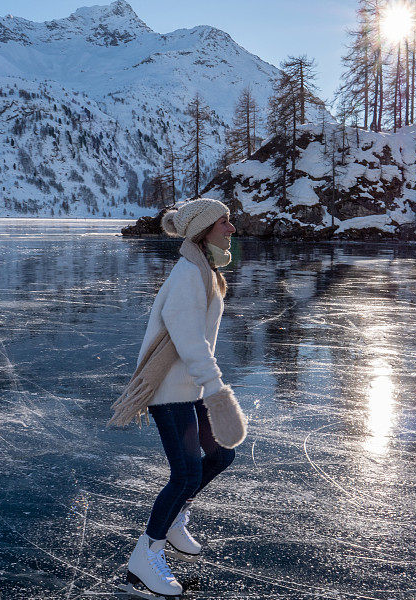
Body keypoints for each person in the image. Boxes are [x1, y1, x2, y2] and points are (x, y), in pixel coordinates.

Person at [124, 198, 241, 598]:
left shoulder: (203, 269)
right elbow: (189, 337)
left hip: (188, 386)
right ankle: (146, 557)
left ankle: (174, 520)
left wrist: (206, 385)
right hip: (170, 390)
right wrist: (215, 388)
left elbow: (197, 339)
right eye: (223, 222)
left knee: (221, 454)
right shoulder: (189, 273)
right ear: (204, 229)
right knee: (186, 473)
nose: (231, 228)